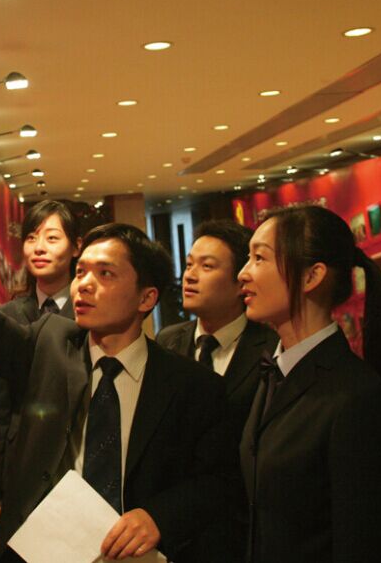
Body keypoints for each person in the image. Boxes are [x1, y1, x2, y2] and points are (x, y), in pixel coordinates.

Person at [0, 193, 231, 562]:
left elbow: (216, 482)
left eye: (105, 274)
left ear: (146, 298)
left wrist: (158, 517)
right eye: (81, 272)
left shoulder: (190, 385)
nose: (84, 284)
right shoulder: (50, 343)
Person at [236, 205, 381, 563]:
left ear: (311, 276)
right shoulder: (273, 370)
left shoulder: (359, 400)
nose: (243, 273)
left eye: (259, 258)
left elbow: (364, 545)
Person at [156, 219, 277, 560]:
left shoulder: (270, 349)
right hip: (173, 530)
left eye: (207, 266)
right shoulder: (167, 341)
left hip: (239, 532)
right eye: (189, 265)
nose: (190, 276)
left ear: (240, 281)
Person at [0, 200, 82, 540]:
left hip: (75, 467)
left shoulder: (89, 312)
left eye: (52, 238)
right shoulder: (8, 316)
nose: (39, 248)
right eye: (31, 238)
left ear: (76, 247)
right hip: (19, 467)